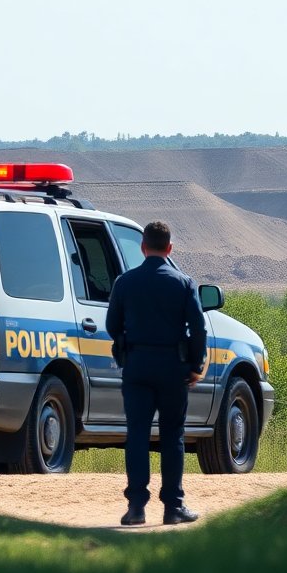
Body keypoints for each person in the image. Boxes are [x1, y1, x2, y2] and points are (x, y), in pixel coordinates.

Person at [106, 221, 206, 526]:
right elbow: (198, 327)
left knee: (136, 433)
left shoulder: (125, 282)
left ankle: (136, 507)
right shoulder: (183, 283)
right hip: (172, 369)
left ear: (143, 247)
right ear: (170, 248)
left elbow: (112, 324)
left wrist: (125, 344)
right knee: (172, 434)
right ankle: (172, 507)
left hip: (136, 366)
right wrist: (194, 365)